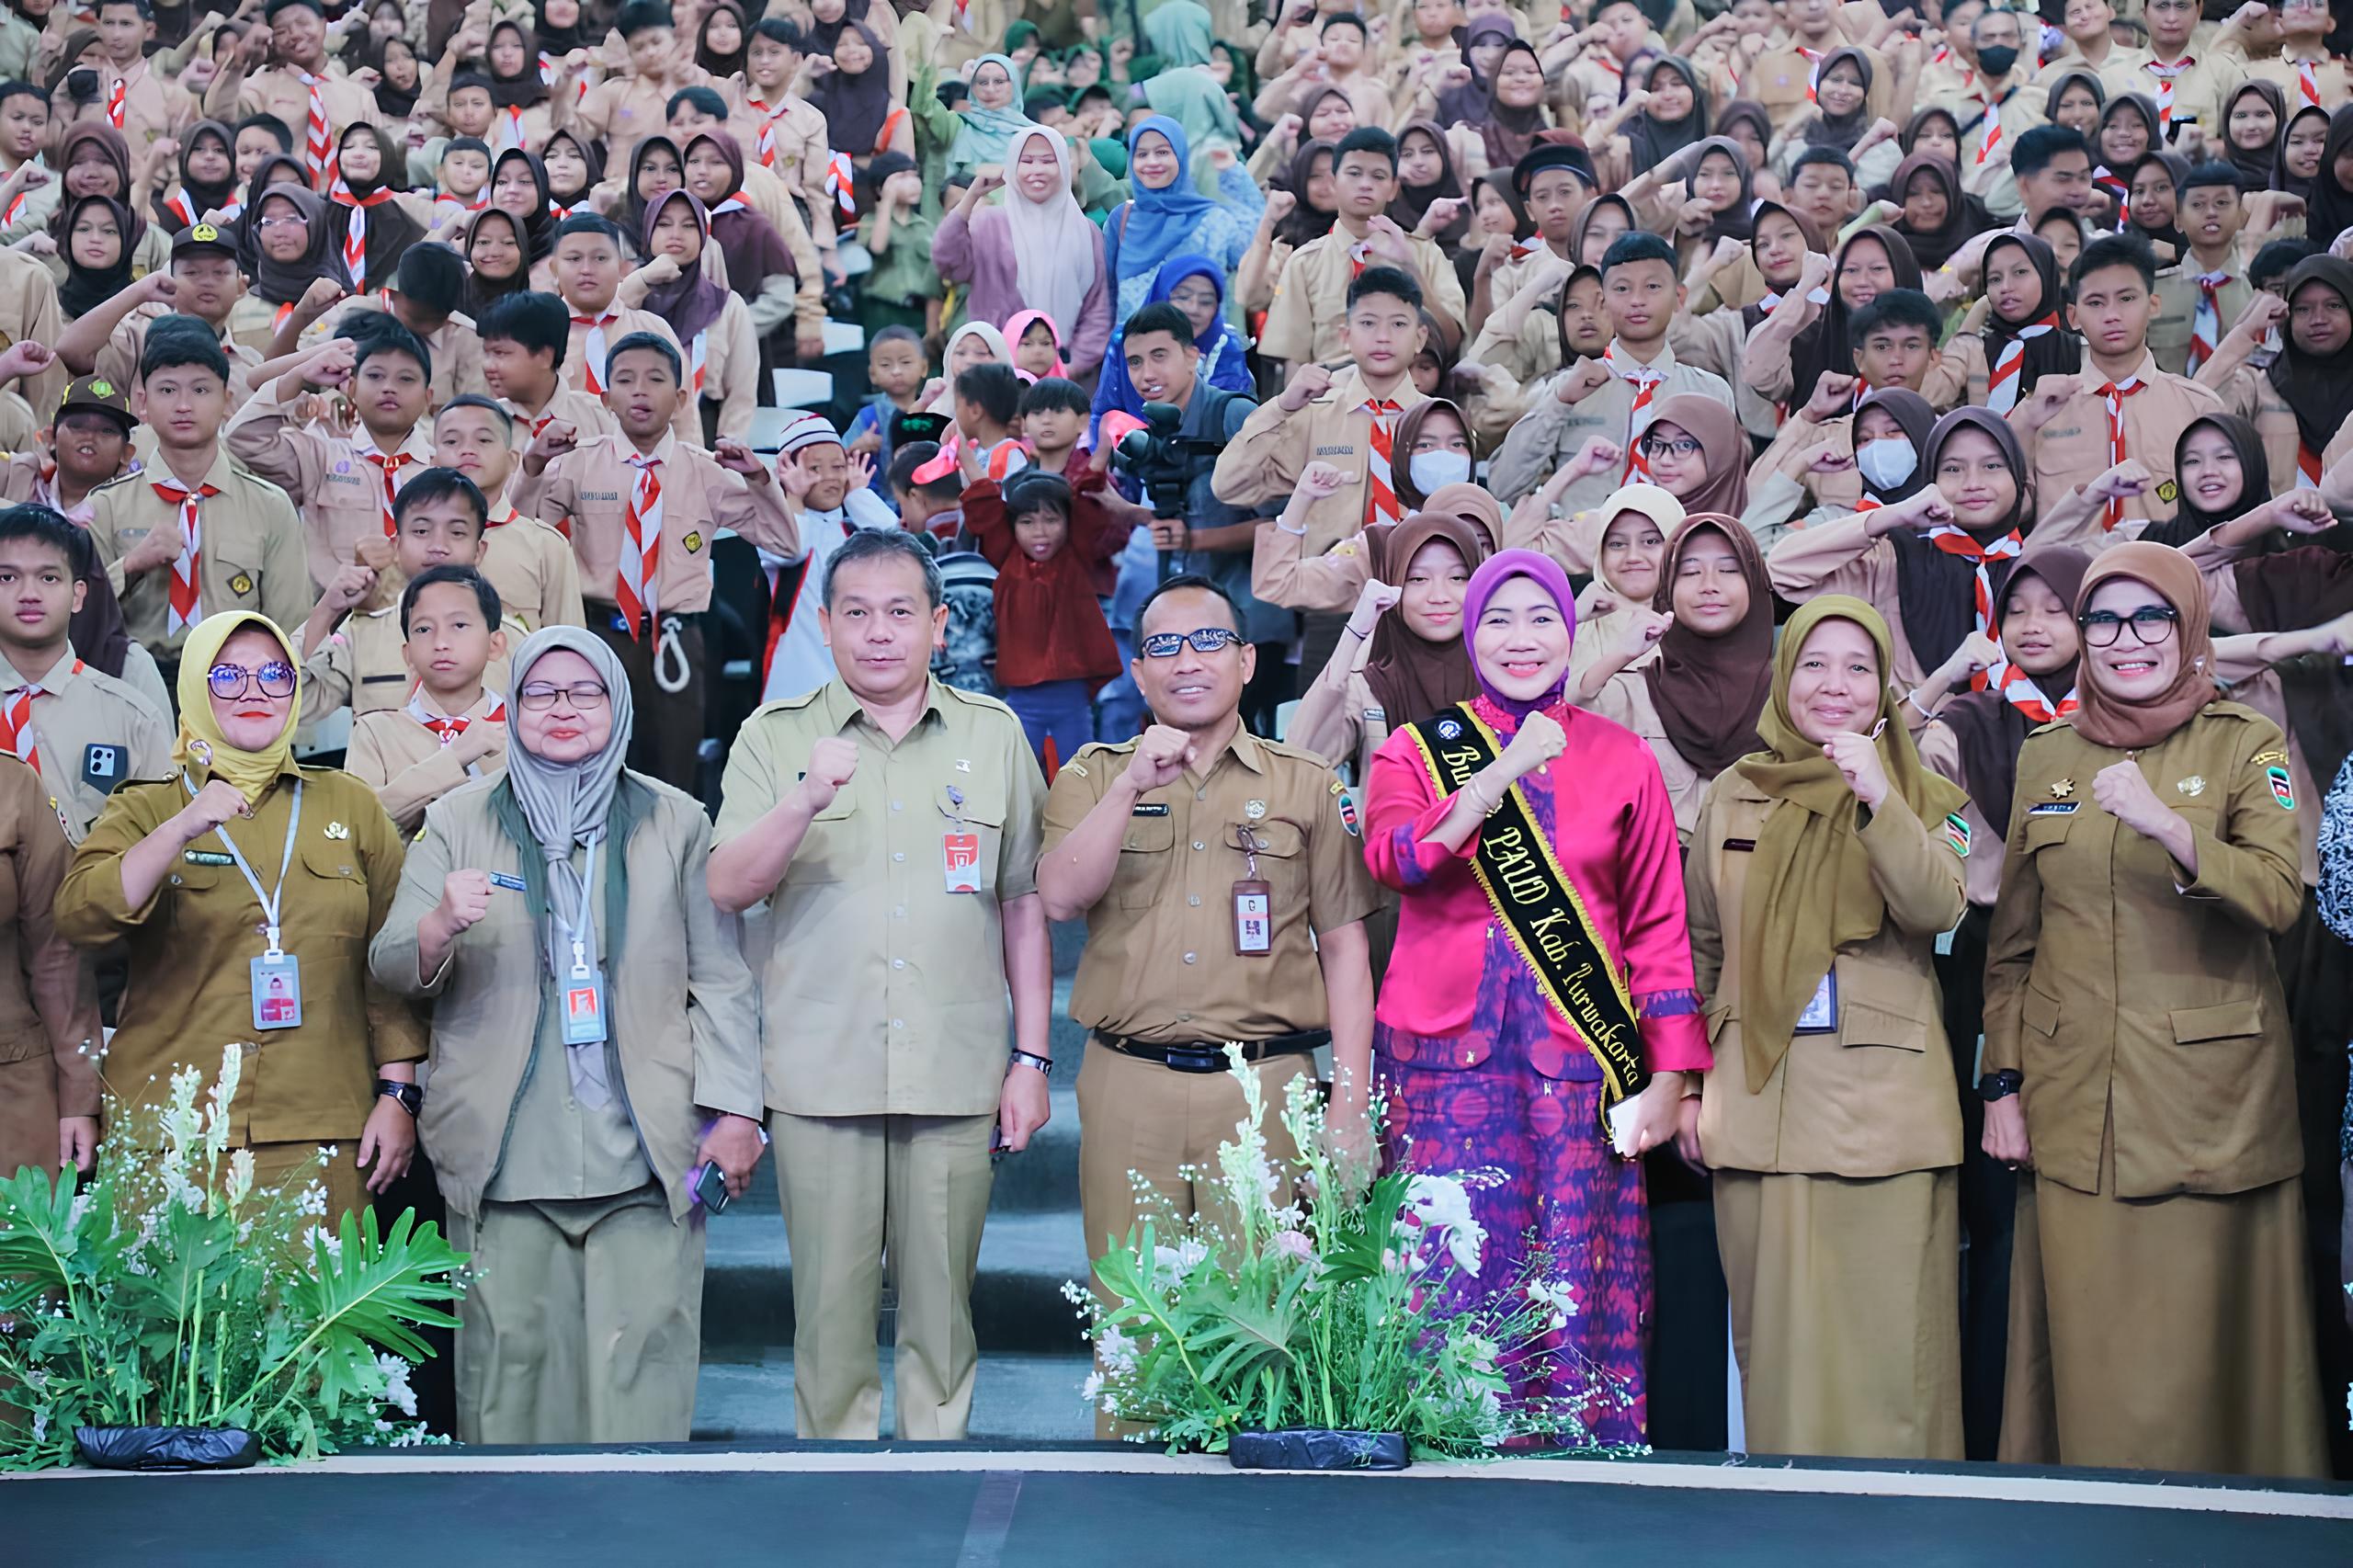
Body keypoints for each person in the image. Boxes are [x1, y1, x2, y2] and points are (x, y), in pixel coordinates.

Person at [1984, 541, 2327, 1478]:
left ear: (2188, 628)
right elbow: (2013, 943)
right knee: (2091, 1358)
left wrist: (2170, 826)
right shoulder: (2046, 756)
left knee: (2205, 1367)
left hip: (2208, 1108)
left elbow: (2279, 893)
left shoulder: (2245, 740)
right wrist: (2001, 1081)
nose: (2125, 639)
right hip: (2070, 1103)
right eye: (2103, 619)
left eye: (2150, 619)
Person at [371, 622, 761, 1444]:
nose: (562, 709)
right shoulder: (456, 819)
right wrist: (440, 923)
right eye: (542, 692)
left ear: (616, 704)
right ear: (511, 708)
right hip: (506, 1150)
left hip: (646, 1151)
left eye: (584, 691)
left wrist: (736, 1111)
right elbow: (392, 963)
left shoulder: (675, 819)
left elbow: (722, 979)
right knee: (509, 1388)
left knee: (643, 1383)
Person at [707, 527, 1051, 1443]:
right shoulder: (775, 737)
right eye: (855, 614)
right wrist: (802, 800)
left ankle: (933, 1481)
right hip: (822, 1075)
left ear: (939, 624)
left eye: (901, 612)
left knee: (943, 1319)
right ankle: (837, 1497)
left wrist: (1030, 1057)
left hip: (954, 1070)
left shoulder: (994, 734)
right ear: (825, 624)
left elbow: (1021, 903)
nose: (879, 633)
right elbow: (727, 886)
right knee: (828, 1323)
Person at [1363, 547, 1704, 1443]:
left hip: (1579, 1068)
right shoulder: (1414, 749)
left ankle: (1576, 1474)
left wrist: (1672, 1076)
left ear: (1570, 629)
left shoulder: (1624, 758)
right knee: (1446, 1269)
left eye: (1541, 617)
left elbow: (1659, 932)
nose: (1521, 639)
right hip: (1441, 1065)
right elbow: (1395, 858)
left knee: (1572, 1278)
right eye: (1498, 620)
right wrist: (1497, 774)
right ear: (1470, 635)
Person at [1040, 571, 1377, 1424]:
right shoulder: (1094, 774)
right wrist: (1129, 789)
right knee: (1137, 1322)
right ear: (1139, 673)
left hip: (1265, 1086)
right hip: (1129, 1085)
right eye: (1163, 647)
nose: (1186, 662)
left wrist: (1349, 1101)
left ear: (1246, 660)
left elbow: (1344, 947)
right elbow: (1058, 896)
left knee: (1265, 1321)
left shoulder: (1304, 784)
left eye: (1207, 642)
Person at [1683, 594, 1971, 1460]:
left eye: (1857, 668)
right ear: (1784, 676)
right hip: (1756, 1106)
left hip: (1880, 1115)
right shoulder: (1735, 790)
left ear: (1885, 687)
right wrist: (1693, 1083)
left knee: (1892, 1363)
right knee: (1777, 1362)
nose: (1833, 684)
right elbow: (1700, 948)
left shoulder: (1928, 789)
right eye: (1813, 663)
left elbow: (1936, 907)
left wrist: (1878, 794)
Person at [56, 609, 424, 1222]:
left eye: (275, 674)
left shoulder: (349, 804)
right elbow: (81, 917)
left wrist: (398, 1093)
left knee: (317, 1317)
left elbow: (387, 963)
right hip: (171, 1127)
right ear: (196, 686)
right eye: (227, 676)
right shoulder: (147, 806)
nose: (254, 692)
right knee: (171, 1319)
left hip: (319, 1124)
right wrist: (181, 826)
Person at [1915, 542, 2091, 1459]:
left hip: (2096, 964)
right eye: (2017, 608)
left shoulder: (2118, 722)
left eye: (2055, 608)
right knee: (1994, 1205)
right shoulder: (1973, 717)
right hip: (1984, 963)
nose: (2033, 624)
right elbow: (1930, 781)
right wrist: (1959, 841)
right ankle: (1994, 1426)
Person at [515, 330, 795, 788]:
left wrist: (761, 480)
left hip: (676, 642)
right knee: (595, 767)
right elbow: (522, 535)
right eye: (625, 380)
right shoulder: (579, 463)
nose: (640, 391)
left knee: (672, 769)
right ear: (606, 399)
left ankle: (669, 856)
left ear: (681, 398)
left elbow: (782, 542)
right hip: (599, 636)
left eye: (655, 380)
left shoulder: (705, 470)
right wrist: (532, 469)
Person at [1770, 406, 2037, 714]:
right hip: (1912, 743)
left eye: (1992, 466)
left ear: (2018, 477)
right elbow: (1783, 571)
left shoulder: (2037, 567)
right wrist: (1893, 515)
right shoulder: (1894, 560)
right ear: (1930, 478)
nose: (1972, 483)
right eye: (1952, 469)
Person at [85, 319, 310, 676]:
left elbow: (291, 629)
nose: (184, 405)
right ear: (142, 404)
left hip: (237, 684)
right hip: (134, 680)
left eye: (201, 390)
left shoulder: (270, 506)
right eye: (168, 390)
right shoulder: (106, 506)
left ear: (227, 401)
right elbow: (77, 617)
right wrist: (129, 567)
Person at [1488, 233, 1731, 515]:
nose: (1637, 300)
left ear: (1679, 297)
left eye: (1652, 286)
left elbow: (1727, 492)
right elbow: (1503, 488)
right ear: (1603, 300)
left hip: (1681, 549)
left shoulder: (1711, 392)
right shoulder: (1567, 388)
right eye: (1622, 288)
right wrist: (1559, 402)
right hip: (1583, 552)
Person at [1573, 512, 1774, 843]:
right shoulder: (1638, 692)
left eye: (1728, 570)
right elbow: (1554, 718)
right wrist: (1620, 653)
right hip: (1658, 882)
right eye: (1690, 572)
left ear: (1754, 583)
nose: (1709, 585)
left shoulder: (1790, 697)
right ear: (1667, 589)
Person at [2009, 234, 2222, 534]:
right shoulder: (2038, 412)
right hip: (2064, 575)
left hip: (2168, 571)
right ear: (2073, 316)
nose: (2111, 315)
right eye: (2095, 302)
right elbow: (2010, 511)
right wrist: (2023, 425)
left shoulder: (2199, 407)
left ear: (2154, 305)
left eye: (2127, 299)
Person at [0, 501, 171, 843]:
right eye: (7, 577)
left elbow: (164, 842)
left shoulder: (132, 718)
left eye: (49, 577)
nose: (29, 594)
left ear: (78, 595)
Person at [226, 323, 438, 591]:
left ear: (428, 397)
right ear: (351, 389)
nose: (388, 388)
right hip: (334, 622)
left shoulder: (442, 472)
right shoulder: (319, 457)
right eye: (374, 376)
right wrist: (301, 379)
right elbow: (242, 437)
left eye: (405, 379)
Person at [1286, 502, 1487, 784]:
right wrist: (1354, 632)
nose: (1439, 595)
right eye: (1417, 578)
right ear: (1393, 583)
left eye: (1458, 577)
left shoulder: (1502, 671)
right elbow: (1302, 759)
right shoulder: (1370, 686)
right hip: (1398, 828)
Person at [1257, 127, 1467, 370]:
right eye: (1354, 173)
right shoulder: (1304, 262)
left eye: (1378, 176)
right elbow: (1294, 361)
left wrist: (1411, 268)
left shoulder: (1425, 254)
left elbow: (1451, 342)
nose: (1366, 184)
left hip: (1406, 394)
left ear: (1392, 189)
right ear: (1334, 183)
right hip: (1331, 395)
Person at [961, 467, 1120, 776]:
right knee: (1013, 779)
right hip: (1022, 699)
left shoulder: (1076, 556)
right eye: (1027, 522)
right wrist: (965, 453)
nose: (1040, 532)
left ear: (1068, 523)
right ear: (1012, 527)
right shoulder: (1006, 557)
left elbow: (1088, 503)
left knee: (1079, 776)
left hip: (1071, 697)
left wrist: (1100, 456)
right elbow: (985, 505)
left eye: (1051, 519)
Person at [931, 125, 1111, 382]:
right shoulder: (989, 223)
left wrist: (1067, 370)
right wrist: (971, 197)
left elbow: (1097, 309)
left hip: (1066, 381)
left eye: (1048, 161)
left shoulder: (1087, 232)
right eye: (1026, 161)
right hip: (997, 377)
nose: (1036, 170)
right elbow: (947, 263)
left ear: (1063, 166)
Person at [345, 563, 508, 834]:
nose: (441, 642)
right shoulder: (375, 732)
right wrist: (454, 759)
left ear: (495, 645)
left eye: (459, 624)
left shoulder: (521, 730)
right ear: (407, 654)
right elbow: (356, 826)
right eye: (423, 629)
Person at [0, 744, 96, 1184]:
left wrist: (79, 1093)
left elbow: (56, 952)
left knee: (25, 1249)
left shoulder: (13, 782)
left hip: (12, 1084)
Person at [430, 392, 585, 632]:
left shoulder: (547, 546)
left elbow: (567, 644)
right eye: (451, 442)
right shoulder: (415, 541)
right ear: (434, 460)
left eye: (484, 440)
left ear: (512, 460)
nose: (467, 450)